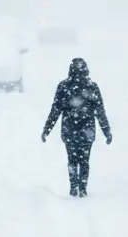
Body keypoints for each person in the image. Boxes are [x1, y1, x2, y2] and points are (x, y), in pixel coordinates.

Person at [42, 58, 112, 197]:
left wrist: (47, 129)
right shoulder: (92, 87)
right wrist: (106, 131)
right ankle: (82, 186)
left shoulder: (64, 86)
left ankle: (74, 185)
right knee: (85, 160)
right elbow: (100, 111)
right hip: (87, 129)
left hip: (69, 129)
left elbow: (56, 110)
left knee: (72, 159)